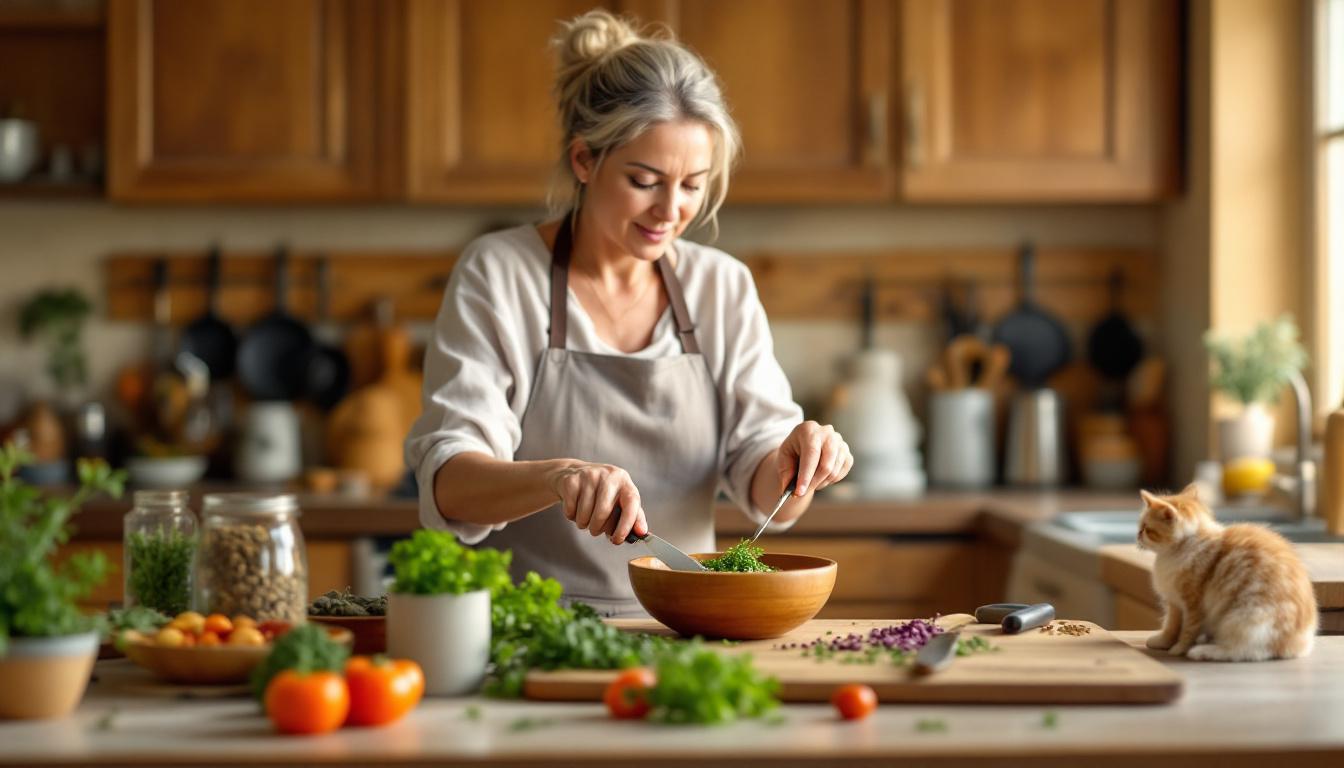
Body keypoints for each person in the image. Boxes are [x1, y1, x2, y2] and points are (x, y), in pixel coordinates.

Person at [405, 10, 852, 617]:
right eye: (645, 180)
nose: (670, 210)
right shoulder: (500, 274)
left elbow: (766, 487)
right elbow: (449, 483)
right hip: (531, 630)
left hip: (689, 627)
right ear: (585, 161)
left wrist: (798, 460)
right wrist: (558, 478)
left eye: (693, 184)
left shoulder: (721, 287)